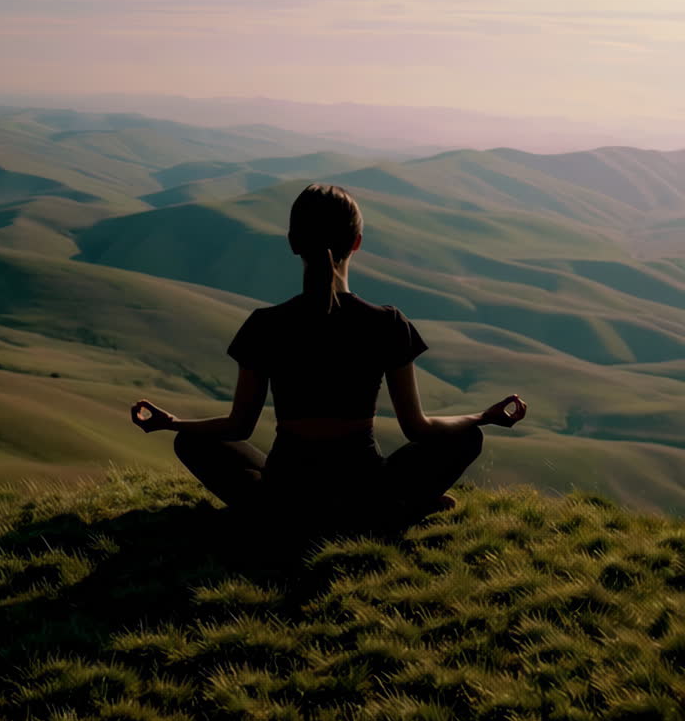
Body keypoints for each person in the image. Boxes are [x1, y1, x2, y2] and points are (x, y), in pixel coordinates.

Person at [131, 183, 526, 531]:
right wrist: (481, 418)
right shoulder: (387, 323)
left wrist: (174, 424)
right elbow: (418, 429)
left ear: (292, 243)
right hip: (367, 492)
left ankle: (269, 516)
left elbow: (238, 427)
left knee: (191, 443)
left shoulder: (265, 325)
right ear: (357, 242)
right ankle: (396, 509)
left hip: (285, 493)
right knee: (466, 439)